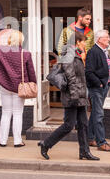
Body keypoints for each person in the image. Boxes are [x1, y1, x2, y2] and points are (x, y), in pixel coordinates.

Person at [38, 32, 99, 161]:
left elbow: (79, 77)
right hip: (73, 95)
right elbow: (71, 77)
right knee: (68, 125)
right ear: (77, 42)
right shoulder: (69, 55)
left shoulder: (76, 55)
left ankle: (84, 152)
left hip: (80, 94)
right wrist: (75, 96)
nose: (85, 44)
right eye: (83, 42)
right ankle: (46, 144)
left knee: (83, 124)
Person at [0, 30, 36, 147]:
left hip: (4, 85)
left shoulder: (0, 50)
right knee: (18, 113)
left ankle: (2, 141)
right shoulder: (25, 53)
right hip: (19, 86)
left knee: (6, 113)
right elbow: (31, 72)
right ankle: (17, 141)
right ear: (21, 41)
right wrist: (33, 83)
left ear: (10, 40)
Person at [85, 29, 110, 152]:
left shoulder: (103, 51)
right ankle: (101, 142)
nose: (108, 39)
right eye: (106, 37)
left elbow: (107, 68)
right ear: (99, 39)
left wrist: (109, 81)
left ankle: (90, 138)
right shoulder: (94, 52)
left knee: (95, 114)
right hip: (96, 88)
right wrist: (99, 84)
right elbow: (89, 72)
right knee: (99, 115)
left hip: (103, 86)